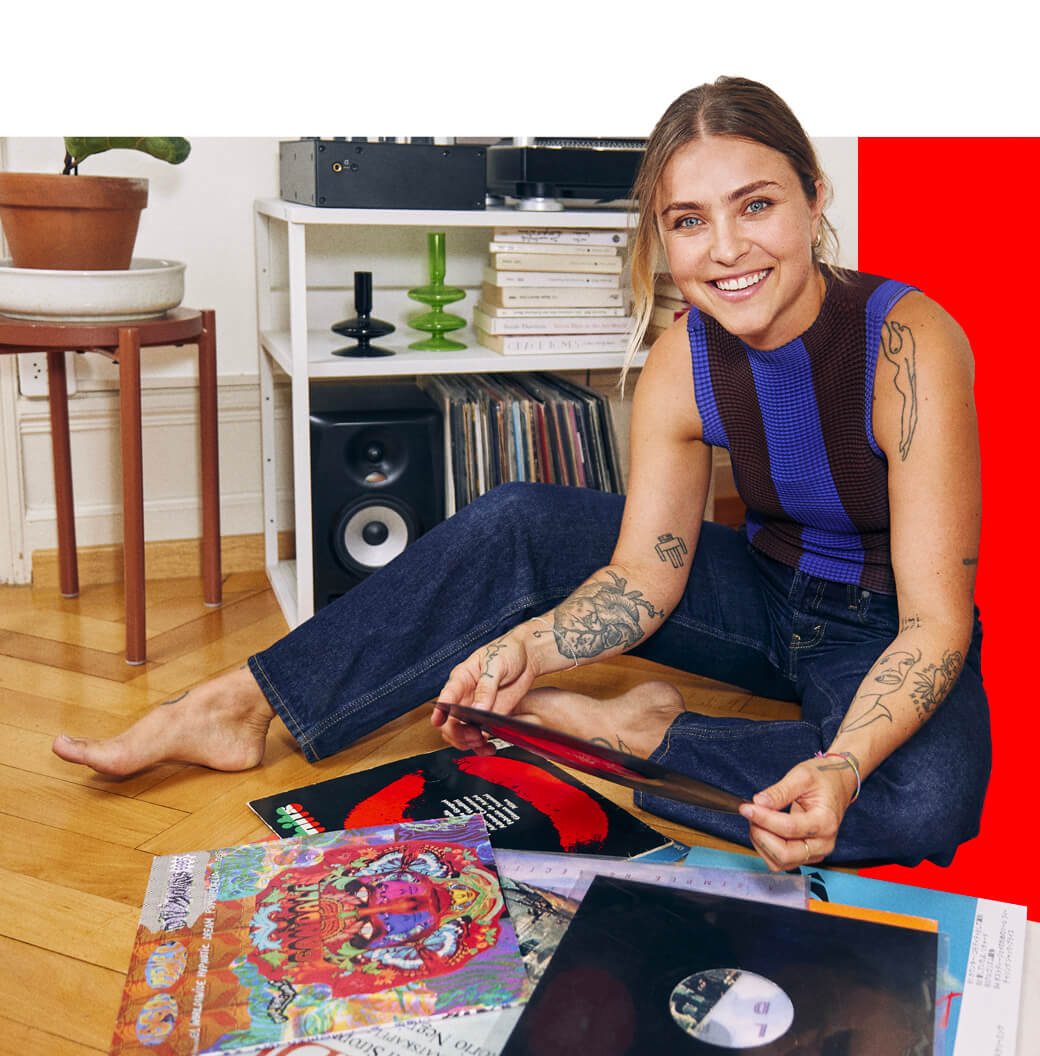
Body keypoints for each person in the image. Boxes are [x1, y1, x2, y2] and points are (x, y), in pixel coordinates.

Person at [52, 76, 988, 874]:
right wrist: (529, 651)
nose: (727, 250)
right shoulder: (681, 357)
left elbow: (934, 620)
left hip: (881, 622)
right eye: (688, 221)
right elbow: (642, 579)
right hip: (760, 592)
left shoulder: (908, 341)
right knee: (519, 520)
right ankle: (237, 704)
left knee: (921, 802)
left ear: (815, 196)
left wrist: (845, 766)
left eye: (757, 204)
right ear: (662, 238)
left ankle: (627, 732)